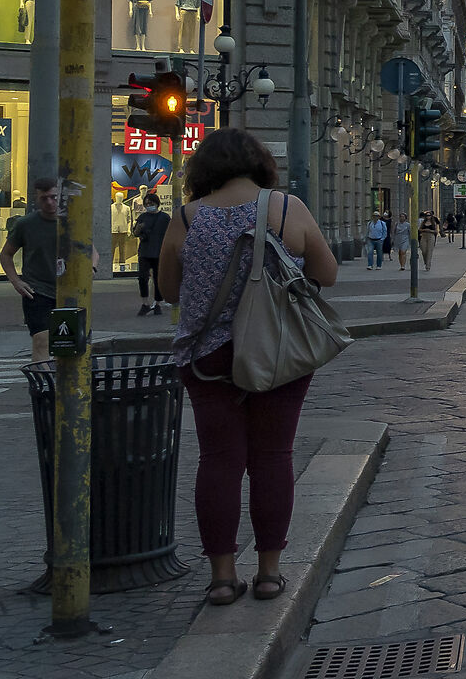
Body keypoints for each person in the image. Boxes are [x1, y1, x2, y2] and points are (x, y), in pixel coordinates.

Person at [155, 128, 339, 609]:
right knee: (273, 457)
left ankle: (220, 577)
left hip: (206, 355)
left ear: (203, 169)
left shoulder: (187, 217)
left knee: (219, 460)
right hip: (277, 349)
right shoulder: (286, 208)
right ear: (261, 165)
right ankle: (270, 573)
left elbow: (170, 291)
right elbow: (328, 273)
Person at [0, 178, 60, 361]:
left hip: (68, 290)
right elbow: (6, 254)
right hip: (37, 291)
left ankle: (64, 385)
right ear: (36, 198)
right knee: (41, 340)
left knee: (67, 342)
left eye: (53, 197)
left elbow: (92, 251)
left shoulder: (72, 222)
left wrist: (93, 268)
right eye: (44, 198)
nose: (49, 202)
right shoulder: (25, 224)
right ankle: (43, 386)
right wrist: (16, 281)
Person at [134, 190, 171, 315]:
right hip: (145, 252)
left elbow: (169, 235)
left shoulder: (165, 218)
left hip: (159, 252)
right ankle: (145, 303)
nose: (148, 205)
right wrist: (139, 228)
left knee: (158, 279)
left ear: (157, 203)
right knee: (142, 278)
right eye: (146, 204)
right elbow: (135, 233)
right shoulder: (142, 217)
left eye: (151, 203)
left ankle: (157, 303)